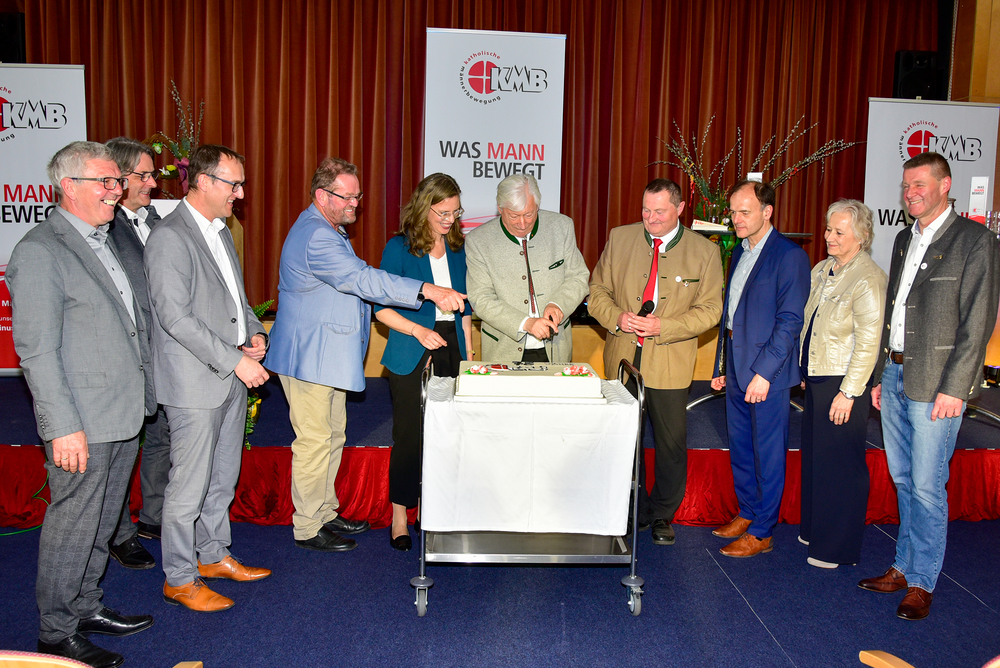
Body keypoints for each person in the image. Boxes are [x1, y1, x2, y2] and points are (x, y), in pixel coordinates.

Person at [266, 158, 466, 553]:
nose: (356, 203)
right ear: (322, 195)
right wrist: (426, 289)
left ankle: (324, 511)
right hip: (309, 355)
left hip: (325, 356)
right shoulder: (317, 235)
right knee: (314, 441)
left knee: (331, 435)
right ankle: (308, 526)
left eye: (358, 195)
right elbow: (361, 278)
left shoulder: (328, 229)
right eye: (348, 196)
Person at [8, 141, 155, 668]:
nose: (117, 191)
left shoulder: (103, 240)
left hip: (121, 409)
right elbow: (37, 351)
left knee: (103, 519)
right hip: (82, 421)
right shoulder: (40, 250)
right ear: (68, 187)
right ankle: (56, 632)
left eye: (118, 182)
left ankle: (86, 605)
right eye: (106, 182)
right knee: (73, 525)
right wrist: (62, 426)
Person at [859, 152, 1000, 620]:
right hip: (896, 373)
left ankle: (922, 581)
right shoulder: (904, 238)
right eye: (906, 186)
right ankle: (902, 566)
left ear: (945, 185)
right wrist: (881, 375)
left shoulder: (975, 240)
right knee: (903, 479)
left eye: (920, 184)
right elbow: (894, 313)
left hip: (939, 384)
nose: (910, 193)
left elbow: (977, 323)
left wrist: (955, 388)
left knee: (926, 485)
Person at [145, 144, 272, 613]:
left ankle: (213, 555)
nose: (240, 193)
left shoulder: (220, 231)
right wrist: (235, 361)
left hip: (230, 372)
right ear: (202, 181)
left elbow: (236, 301)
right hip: (194, 381)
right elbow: (175, 318)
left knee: (222, 477)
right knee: (189, 486)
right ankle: (179, 578)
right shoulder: (169, 237)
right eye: (233, 184)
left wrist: (254, 333)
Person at [589, 178, 724, 545]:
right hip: (622, 357)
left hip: (670, 362)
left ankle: (663, 513)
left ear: (679, 209)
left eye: (660, 212)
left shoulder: (705, 251)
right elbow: (597, 291)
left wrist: (665, 326)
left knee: (670, 443)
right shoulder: (620, 238)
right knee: (625, 439)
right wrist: (617, 317)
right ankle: (631, 508)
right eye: (646, 211)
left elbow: (711, 310)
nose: (650, 218)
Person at [710, 180, 810, 558]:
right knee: (741, 447)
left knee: (767, 453)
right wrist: (722, 363)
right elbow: (731, 313)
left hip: (767, 372)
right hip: (736, 365)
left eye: (744, 212)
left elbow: (790, 321)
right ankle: (748, 513)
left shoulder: (789, 256)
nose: (736, 219)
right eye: (733, 212)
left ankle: (764, 531)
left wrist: (764, 373)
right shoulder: (740, 250)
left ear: (767, 212)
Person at [374, 173, 473, 551]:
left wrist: (469, 356)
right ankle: (400, 515)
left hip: (453, 345)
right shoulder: (399, 248)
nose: (450, 220)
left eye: (455, 212)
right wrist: (418, 331)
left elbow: (465, 310)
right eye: (442, 212)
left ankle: (436, 511)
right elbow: (381, 309)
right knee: (409, 435)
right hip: (412, 346)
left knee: (449, 435)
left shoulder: (459, 248)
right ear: (423, 207)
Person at [799, 199, 886, 569]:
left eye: (839, 232)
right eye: (828, 229)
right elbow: (812, 324)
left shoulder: (868, 278)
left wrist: (849, 392)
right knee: (817, 461)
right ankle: (815, 530)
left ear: (861, 237)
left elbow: (869, 343)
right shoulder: (823, 269)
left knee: (841, 466)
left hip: (845, 382)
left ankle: (835, 548)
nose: (829, 237)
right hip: (819, 376)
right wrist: (807, 370)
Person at [103, 136, 170, 571]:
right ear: (118, 177)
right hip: (128, 356)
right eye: (144, 175)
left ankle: (153, 516)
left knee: (162, 435)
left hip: (163, 350)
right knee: (121, 448)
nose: (153, 183)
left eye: (152, 174)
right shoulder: (104, 228)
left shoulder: (154, 219)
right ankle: (118, 533)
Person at [465, 173, 589, 364]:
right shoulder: (478, 241)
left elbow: (578, 277)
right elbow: (481, 298)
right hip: (503, 350)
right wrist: (526, 323)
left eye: (529, 214)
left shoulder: (561, 227)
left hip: (555, 349)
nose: (522, 224)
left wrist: (558, 304)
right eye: (514, 216)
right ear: (500, 209)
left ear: (537, 206)